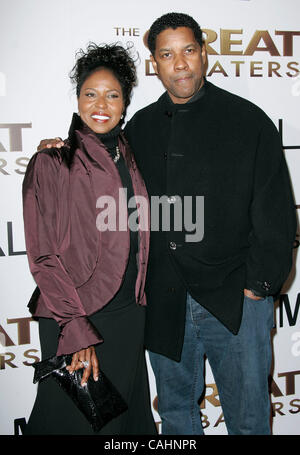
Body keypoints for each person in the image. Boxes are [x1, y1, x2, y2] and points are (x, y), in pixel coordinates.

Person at [38, 13, 297, 435]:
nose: (180, 64)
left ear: (204, 53)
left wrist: (259, 287)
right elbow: (98, 162)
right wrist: (61, 149)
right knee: (176, 417)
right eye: (167, 54)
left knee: (249, 420)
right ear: (154, 64)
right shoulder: (138, 127)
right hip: (165, 302)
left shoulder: (248, 120)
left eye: (188, 51)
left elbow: (277, 212)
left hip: (235, 300)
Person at [23, 42, 156, 435]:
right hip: (77, 315)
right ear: (78, 99)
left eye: (112, 95)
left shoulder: (133, 155)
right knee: (73, 422)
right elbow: (43, 257)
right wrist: (75, 330)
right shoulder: (52, 161)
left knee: (125, 424)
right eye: (90, 93)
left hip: (128, 315)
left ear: (125, 102)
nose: (101, 104)